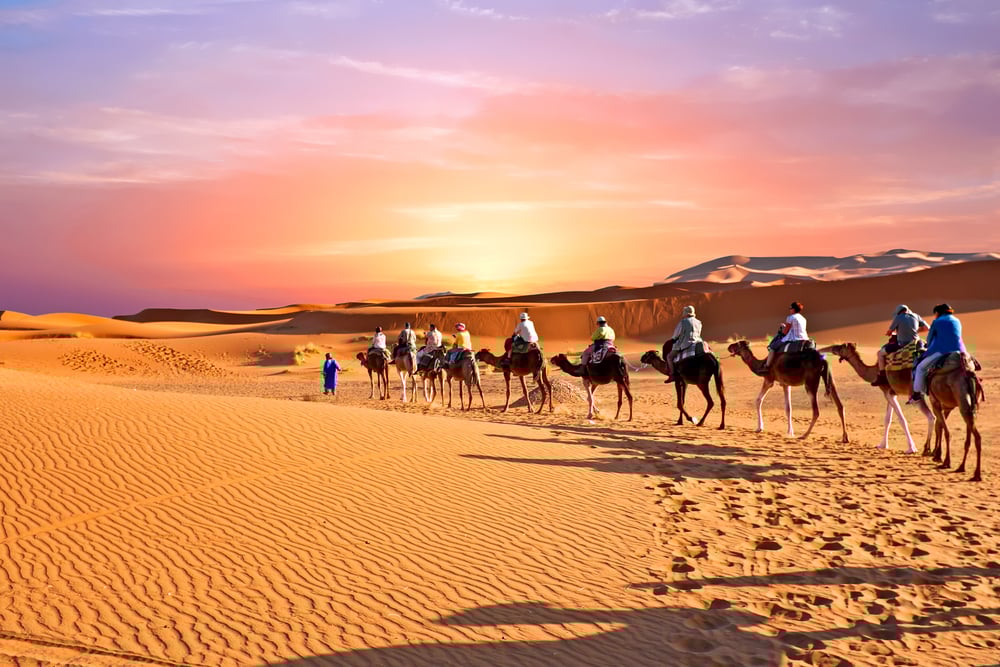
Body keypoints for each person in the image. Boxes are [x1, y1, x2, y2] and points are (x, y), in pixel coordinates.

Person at [910, 303, 966, 404]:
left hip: (942, 351)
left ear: (937, 313)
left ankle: (917, 394)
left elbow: (929, 339)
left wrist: (928, 346)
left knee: (920, 367)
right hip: (961, 351)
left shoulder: (936, 322)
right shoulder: (957, 320)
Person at [871, 305, 930, 386]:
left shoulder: (898, 318)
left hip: (902, 344)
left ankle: (882, 376)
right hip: (916, 343)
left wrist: (890, 333)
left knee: (880, 353)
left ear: (898, 312)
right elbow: (927, 328)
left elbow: (889, 332)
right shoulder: (916, 316)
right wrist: (915, 331)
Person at [764, 301, 808, 369]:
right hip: (804, 338)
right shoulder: (803, 318)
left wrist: (782, 333)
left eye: (790, 308)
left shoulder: (791, 317)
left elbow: (786, 332)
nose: (790, 310)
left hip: (794, 339)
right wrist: (785, 326)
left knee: (772, 347)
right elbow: (795, 328)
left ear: (793, 309)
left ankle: (767, 366)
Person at [665, 305, 703, 382]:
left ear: (686, 313)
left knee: (669, 357)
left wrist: (673, 339)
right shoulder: (699, 322)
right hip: (697, 342)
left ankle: (672, 375)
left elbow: (676, 335)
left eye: (684, 311)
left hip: (685, 344)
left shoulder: (683, 322)